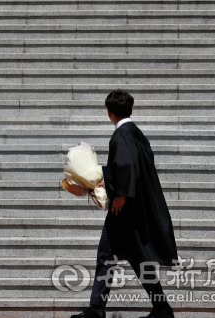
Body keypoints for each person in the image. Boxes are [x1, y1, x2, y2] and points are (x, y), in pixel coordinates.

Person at [71, 90, 178, 318]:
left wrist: (120, 195)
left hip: (123, 210)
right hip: (135, 209)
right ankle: (162, 308)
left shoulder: (121, 135)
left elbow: (127, 165)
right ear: (131, 109)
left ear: (109, 112)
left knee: (106, 256)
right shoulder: (137, 133)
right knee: (138, 260)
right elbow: (131, 166)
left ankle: (97, 310)